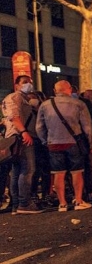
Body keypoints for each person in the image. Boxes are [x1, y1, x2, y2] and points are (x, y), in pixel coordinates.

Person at [36, 80, 92, 211]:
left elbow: (39, 127)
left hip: (54, 143)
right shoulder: (79, 104)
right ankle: (78, 201)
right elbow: (87, 127)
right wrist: (91, 143)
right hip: (73, 142)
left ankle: (62, 203)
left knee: (58, 173)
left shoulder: (45, 105)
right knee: (77, 172)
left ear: (55, 91)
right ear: (69, 90)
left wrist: (46, 141)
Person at [2, 75, 42, 214]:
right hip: (20, 138)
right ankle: (24, 204)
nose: (29, 84)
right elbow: (14, 116)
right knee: (27, 169)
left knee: (17, 172)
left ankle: (17, 205)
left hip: (20, 136)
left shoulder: (26, 99)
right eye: (25, 82)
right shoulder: (15, 97)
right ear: (17, 85)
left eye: (30, 82)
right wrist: (24, 132)